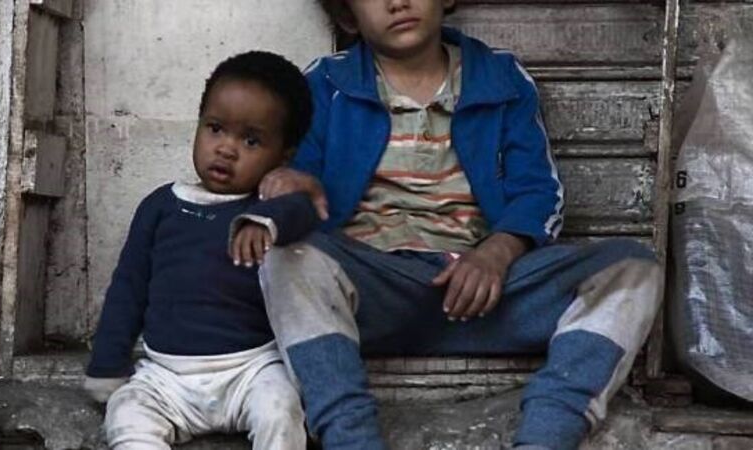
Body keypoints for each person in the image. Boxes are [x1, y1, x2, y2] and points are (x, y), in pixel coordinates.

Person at [256, 1, 664, 449]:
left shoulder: (500, 78)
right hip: (376, 293)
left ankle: (546, 436)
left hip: (488, 293)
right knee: (286, 258)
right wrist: (292, 183)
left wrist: (496, 253)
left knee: (632, 267)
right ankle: (352, 441)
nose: (397, 2)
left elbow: (538, 192)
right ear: (347, 15)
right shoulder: (325, 83)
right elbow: (302, 193)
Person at [83, 51, 317, 450]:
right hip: (166, 375)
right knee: (127, 412)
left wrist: (265, 219)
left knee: (281, 409)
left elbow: (302, 213)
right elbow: (128, 288)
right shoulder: (160, 206)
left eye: (251, 140)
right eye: (215, 128)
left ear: (284, 155)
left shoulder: (270, 209)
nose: (226, 149)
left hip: (251, 369)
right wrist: (107, 365)